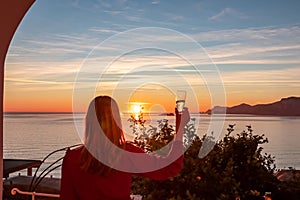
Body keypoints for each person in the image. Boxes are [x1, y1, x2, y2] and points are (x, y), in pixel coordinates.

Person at [60, 96, 190, 200]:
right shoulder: (126, 153)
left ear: (88, 121)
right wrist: (180, 127)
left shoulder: (72, 158)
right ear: (116, 120)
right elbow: (169, 167)